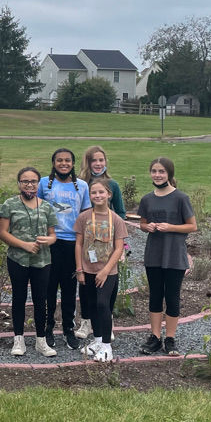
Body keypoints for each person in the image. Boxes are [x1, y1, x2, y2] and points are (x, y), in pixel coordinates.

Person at [137, 157, 197, 356]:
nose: (157, 175)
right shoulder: (147, 199)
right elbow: (142, 224)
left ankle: (170, 338)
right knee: (155, 296)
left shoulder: (181, 198)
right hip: (154, 254)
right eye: (154, 171)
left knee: (172, 297)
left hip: (174, 255)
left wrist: (170, 227)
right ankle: (155, 337)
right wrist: (149, 227)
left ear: (169, 174)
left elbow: (192, 226)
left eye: (161, 171)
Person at [0, 167, 58, 357]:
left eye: (33, 181)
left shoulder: (47, 206)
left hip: (42, 260)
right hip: (18, 259)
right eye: (25, 181)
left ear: (38, 183)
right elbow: (2, 233)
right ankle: (19, 339)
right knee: (19, 298)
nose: (29, 185)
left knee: (41, 299)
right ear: (19, 184)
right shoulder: (10, 204)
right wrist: (24, 245)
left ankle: (41, 340)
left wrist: (49, 240)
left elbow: (53, 235)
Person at [37, 148, 90, 349]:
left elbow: (85, 215)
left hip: (72, 242)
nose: (63, 163)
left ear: (73, 163)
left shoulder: (82, 186)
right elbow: (38, 208)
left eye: (67, 160)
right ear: (53, 163)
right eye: (59, 160)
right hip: (50, 241)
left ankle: (68, 328)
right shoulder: (44, 183)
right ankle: (48, 327)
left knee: (69, 289)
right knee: (49, 288)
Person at [74, 178, 129, 363]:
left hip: (107, 272)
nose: (97, 195)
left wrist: (105, 270)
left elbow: (119, 248)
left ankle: (107, 346)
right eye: (93, 193)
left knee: (103, 305)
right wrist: (80, 269)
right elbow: (79, 244)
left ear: (109, 194)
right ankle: (97, 340)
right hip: (88, 270)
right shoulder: (84, 217)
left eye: (101, 192)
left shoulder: (116, 220)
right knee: (91, 305)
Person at [79, 145, 126, 341]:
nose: (98, 164)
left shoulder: (112, 185)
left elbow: (121, 212)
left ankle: (108, 321)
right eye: (94, 160)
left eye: (101, 160)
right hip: (87, 242)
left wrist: (121, 246)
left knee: (108, 285)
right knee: (85, 286)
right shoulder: (81, 184)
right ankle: (86, 320)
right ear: (88, 163)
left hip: (108, 243)